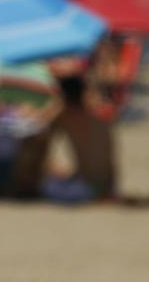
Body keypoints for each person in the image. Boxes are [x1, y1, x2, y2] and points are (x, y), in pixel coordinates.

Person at [42, 74, 118, 202]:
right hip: (108, 188)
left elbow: (39, 144)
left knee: (44, 184)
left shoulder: (67, 116)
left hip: (86, 189)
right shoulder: (98, 119)